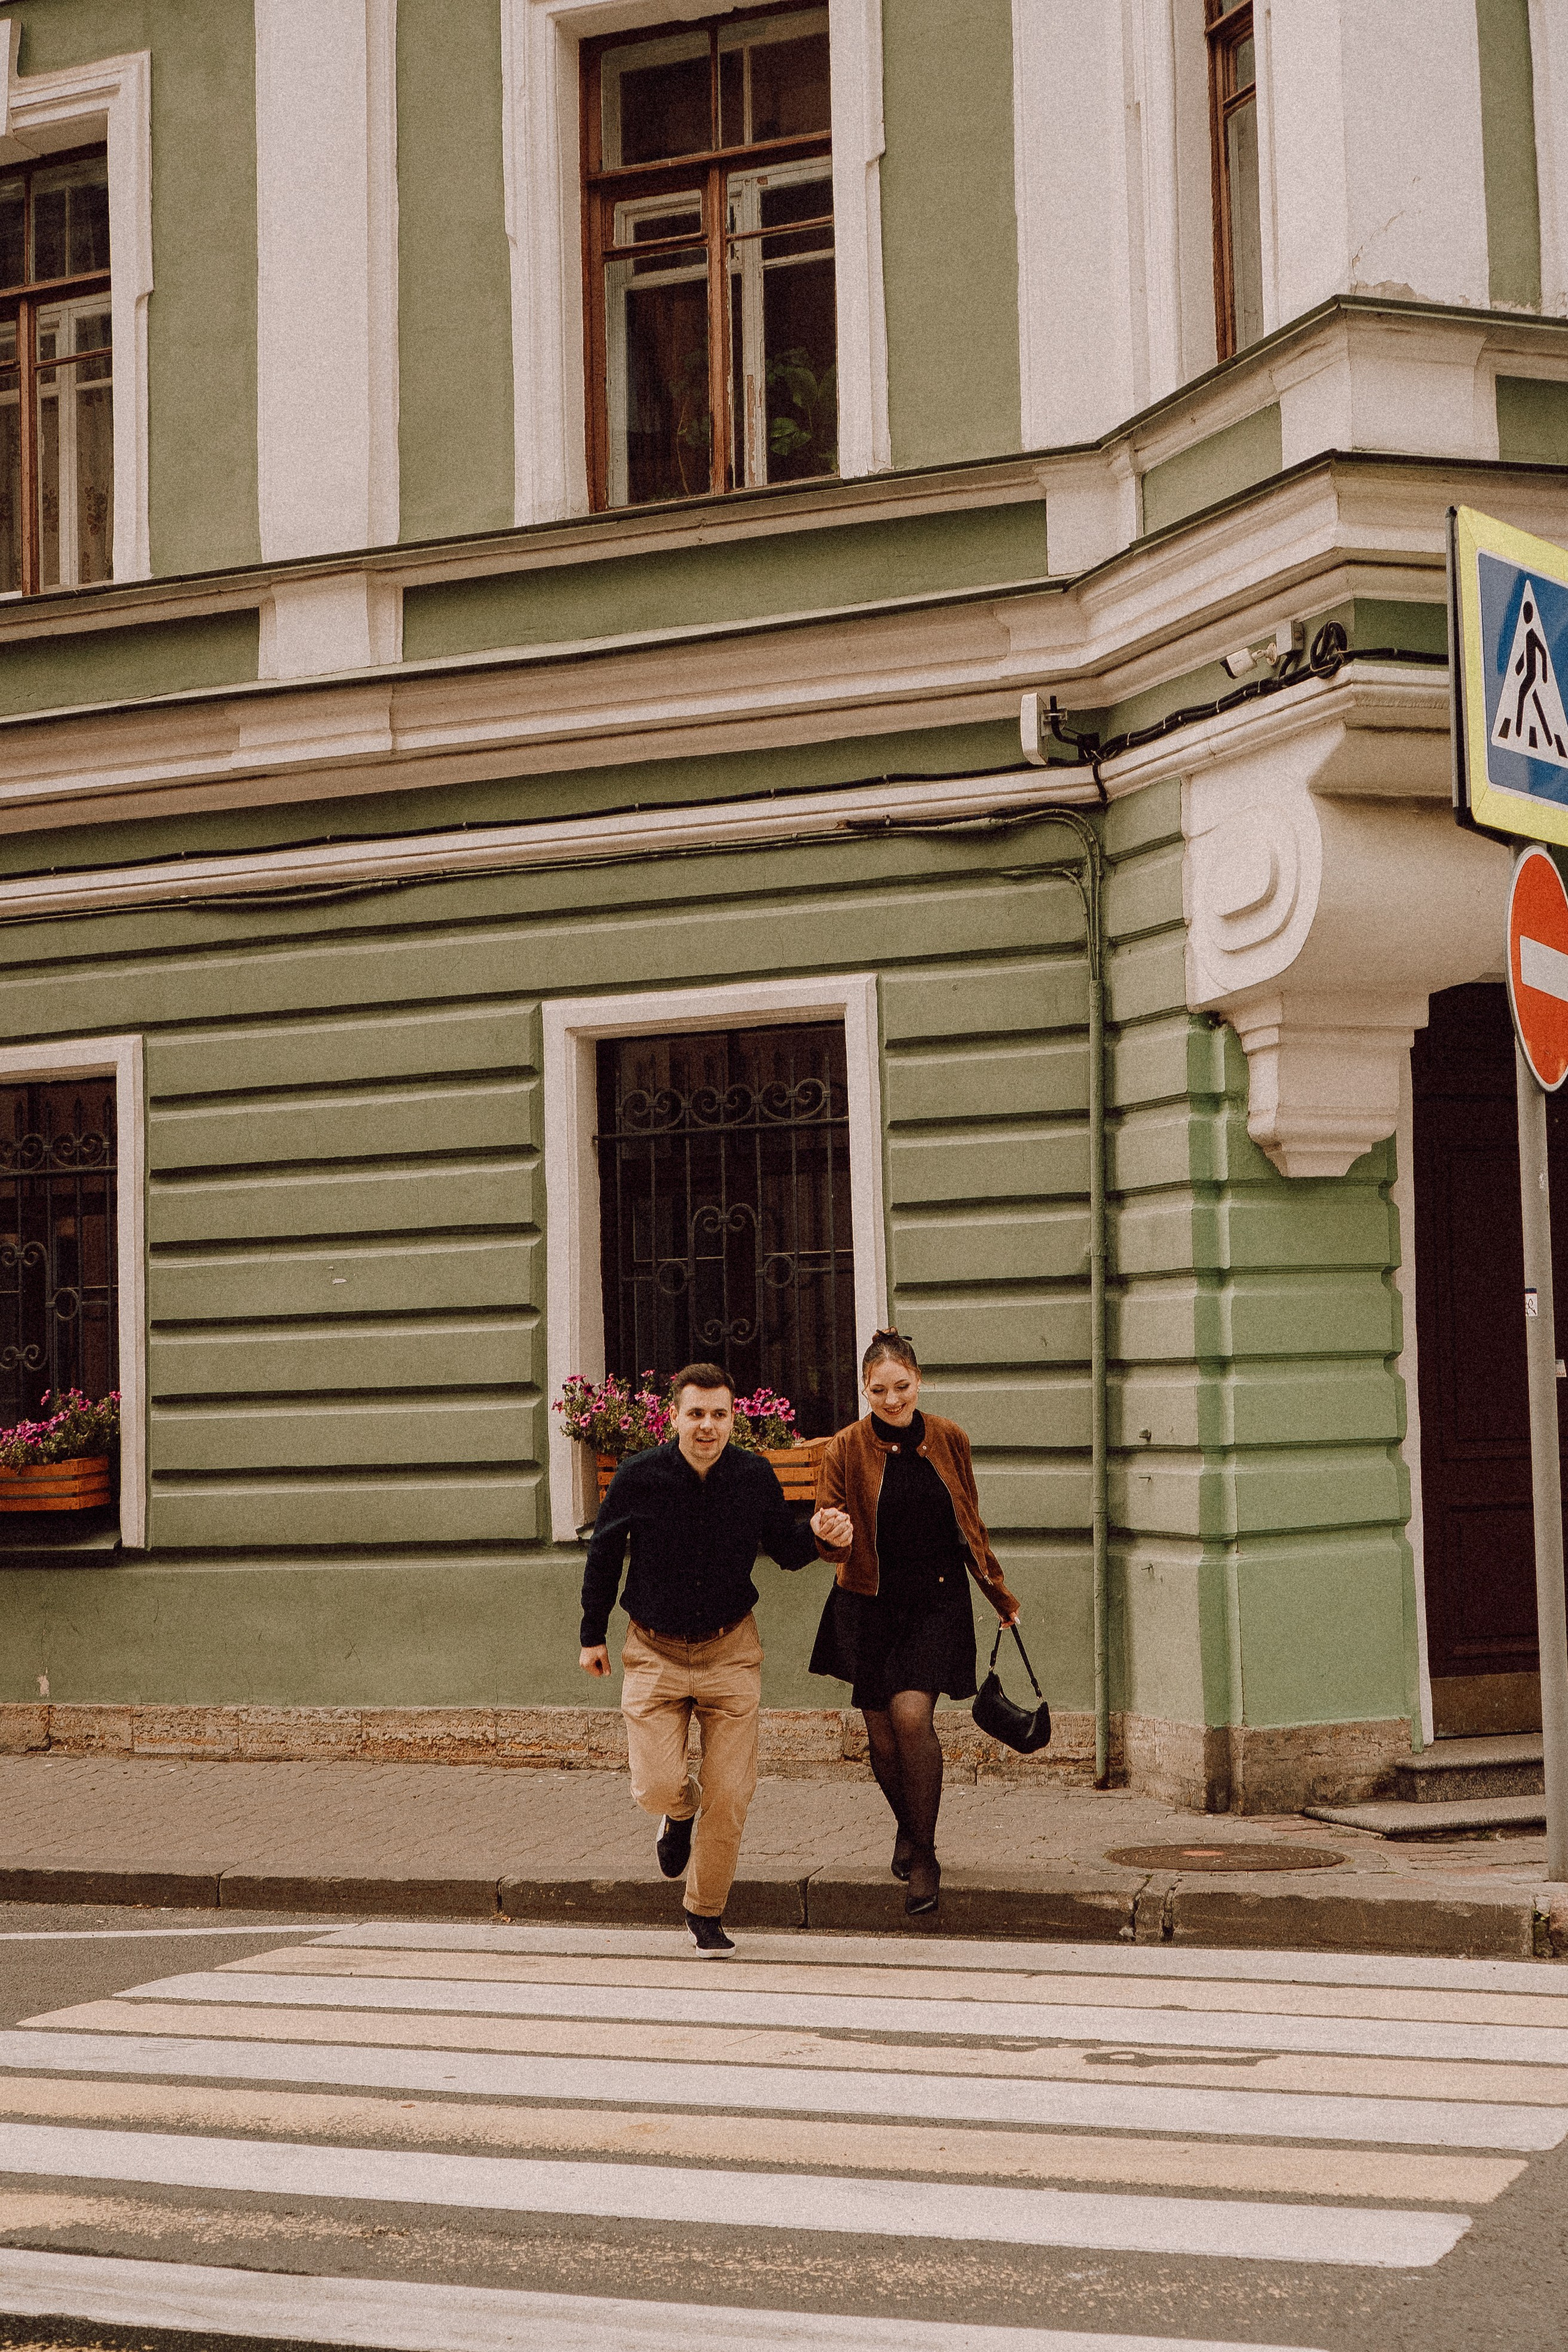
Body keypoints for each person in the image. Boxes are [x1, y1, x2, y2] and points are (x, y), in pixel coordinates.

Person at [579, 1361, 852, 1955]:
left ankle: (706, 1910)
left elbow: (785, 1548)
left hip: (730, 1651)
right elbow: (604, 1554)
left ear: (735, 1419)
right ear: (673, 1417)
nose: (707, 1426)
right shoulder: (638, 1476)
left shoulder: (752, 1477)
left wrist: (824, 1537)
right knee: (656, 1785)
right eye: (695, 1414)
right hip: (653, 1651)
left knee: (731, 1792)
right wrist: (591, 1635)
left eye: (719, 1415)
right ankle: (676, 1815)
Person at [809, 1328, 1019, 1917]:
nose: (893, 1400)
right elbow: (828, 1526)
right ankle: (907, 1825)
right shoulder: (844, 1448)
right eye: (880, 1391)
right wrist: (830, 1536)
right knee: (879, 1733)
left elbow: (971, 1524)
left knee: (909, 1716)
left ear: (919, 1382)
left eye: (902, 1387)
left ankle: (923, 1854)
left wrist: (999, 1594)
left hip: (936, 1599)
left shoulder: (950, 1438)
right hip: (868, 1601)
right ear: (865, 1389)